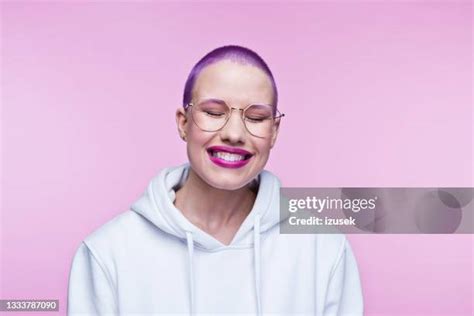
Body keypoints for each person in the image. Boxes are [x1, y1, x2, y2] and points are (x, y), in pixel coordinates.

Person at [67, 45, 363, 315]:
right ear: (183, 123)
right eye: (213, 112)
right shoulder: (107, 253)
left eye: (256, 117)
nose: (234, 133)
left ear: (274, 131)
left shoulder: (324, 249)